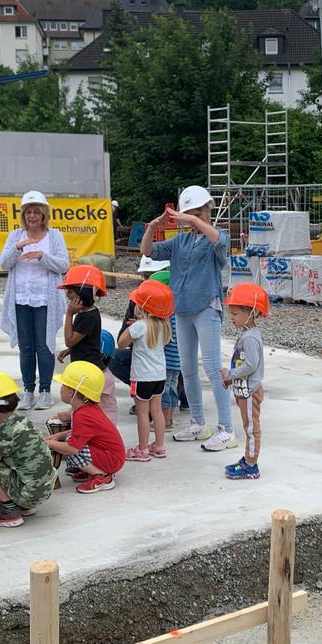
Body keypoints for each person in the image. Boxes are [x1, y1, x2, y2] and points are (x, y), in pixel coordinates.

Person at [141, 185, 235, 452]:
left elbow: (220, 241)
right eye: (189, 213)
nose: (193, 217)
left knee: (214, 368)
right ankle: (198, 422)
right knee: (188, 369)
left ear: (207, 210)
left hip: (206, 307)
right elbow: (148, 251)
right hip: (182, 310)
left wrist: (193, 219)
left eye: (198, 212)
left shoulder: (216, 237)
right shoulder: (181, 242)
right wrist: (152, 226)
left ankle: (226, 429)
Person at [0, 191, 69, 411]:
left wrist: (42, 256)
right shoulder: (15, 236)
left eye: (36, 212)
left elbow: (63, 265)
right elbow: (3, 263)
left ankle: (46, 391)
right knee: (26, 347)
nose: (32, 216)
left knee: (44, 345)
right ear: (23, 215)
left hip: (44, 299)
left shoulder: (54, 236)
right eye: (28, 212)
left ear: (44, 214)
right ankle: (28, 391)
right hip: (20, 299)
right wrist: (17, 248)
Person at [0, 371, 57, 528]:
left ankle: (9, 511)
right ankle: (24, 506)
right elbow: (12, 450)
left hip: (30, 494)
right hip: (44, 488)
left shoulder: (2, 434)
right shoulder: (23, 421)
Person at [45, 361, 124, 494]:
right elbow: (82, 432)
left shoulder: (83, 415)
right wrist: (58, 435)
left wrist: (49, 443)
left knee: (72, 447)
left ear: (71, 392)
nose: (60, 388)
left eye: (63, 386)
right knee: (70, 439)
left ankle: (102, 477)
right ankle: (91, 470)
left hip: (112, 459)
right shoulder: (85, 409)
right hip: (110, 455)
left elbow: (73, 448)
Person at [117, 279, 173, 461]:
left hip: (142, 376)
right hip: (159, 376)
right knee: (156, 410)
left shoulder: (138, 326)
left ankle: (142, 449)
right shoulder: (163, 326)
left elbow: (121, 343)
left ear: (143, 306)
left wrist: (131, 327)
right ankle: (159, 446)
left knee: (142, 413)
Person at [55, 265, 117, 421]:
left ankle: (104, 437)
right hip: (90, 368)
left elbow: (70, 339)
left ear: (82, 292)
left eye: (70, 291)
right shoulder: (88, 312)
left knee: (102, 411)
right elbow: (85, 339)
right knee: (86, 403)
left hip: (92, 372)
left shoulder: (86, 316)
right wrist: (70, 350)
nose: (67, 295)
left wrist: (69, 314)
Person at [220, 284, 269, 480]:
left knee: (251, 428)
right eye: (231, 313)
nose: (232, 318)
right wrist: (231, 379)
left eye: (235, 313)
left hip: (249, 392)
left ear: (251, 312)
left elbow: (250, 366)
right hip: (243, 390)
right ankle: (248, 458)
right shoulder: (246, 335)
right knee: (247, 426)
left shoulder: (250, 339)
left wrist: (230, 374)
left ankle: (251, 465)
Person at [149, 269, 182, 429]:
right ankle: (169, 419)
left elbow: (163, 337)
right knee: (173, 389)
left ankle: (165, 421)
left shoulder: (166, 313)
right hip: (178, 360)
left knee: (164, 391)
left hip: (167, 359)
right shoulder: (178, 310)